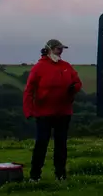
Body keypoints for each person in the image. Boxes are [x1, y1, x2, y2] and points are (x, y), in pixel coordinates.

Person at [23, 39, 82, 182]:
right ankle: (35, 175)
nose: (60, 51)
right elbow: (29, 90)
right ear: (49, 50)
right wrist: (28, 110)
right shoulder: (39, 67)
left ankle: (60, 175)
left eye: (61, 49)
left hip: (63, 111)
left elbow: (77, 82)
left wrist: (74, 88)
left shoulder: (66, 66)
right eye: (57, 49)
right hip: (44, 113)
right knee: (41, 144)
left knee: (61, 145)